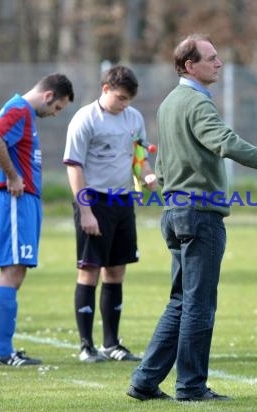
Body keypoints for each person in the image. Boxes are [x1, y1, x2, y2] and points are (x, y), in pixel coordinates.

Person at [127, 34, 257, 401]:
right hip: (199, 215)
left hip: (174, 212)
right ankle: (190, 387)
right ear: (190, 66)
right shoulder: (196, 103)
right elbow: (226, 142)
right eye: (211, 58)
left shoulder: (169, 103)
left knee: (180, 301)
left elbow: (165, 162)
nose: (219, 63)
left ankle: (144, 382)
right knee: (198, 304)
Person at [0, 73, 75, 366]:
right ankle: (3, 352)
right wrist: (11, 175)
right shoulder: (20, 109)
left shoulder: (17, 108)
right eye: (57, 108)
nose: (54, 114)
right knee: (13, 270)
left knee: (17, 269)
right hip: (16, 201)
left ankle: (4, 351)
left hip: (22, 200)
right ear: (48, 96)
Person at [63, 64, 157, 363]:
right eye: (120, 98)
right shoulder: (85, 119)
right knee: (89, 270)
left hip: (122, 201)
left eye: (129, 100)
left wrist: (147, 175)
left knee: (116, 271)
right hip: (94, 201)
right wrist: (86, 211)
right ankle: (85, 346)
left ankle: (111, 343)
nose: (124, 104)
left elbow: (139, 156)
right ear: (105, 90)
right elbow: (74, 166)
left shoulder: (134, 118)